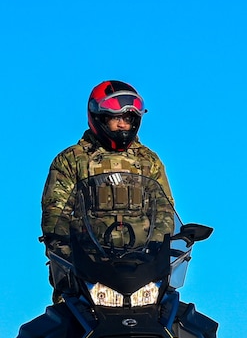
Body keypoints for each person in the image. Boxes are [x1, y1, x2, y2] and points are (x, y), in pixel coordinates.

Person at [40, 81, 174, 296]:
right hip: (90, 273)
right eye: (116, 118)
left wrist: (157, 256)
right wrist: (68, 262)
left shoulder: (149, 160)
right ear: (99, 117)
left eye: (128, 119)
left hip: (142, 274)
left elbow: (165, 213)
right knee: (57, 326)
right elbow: (55, 218)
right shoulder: (72, 160)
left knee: (186, 322)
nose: (123, 125)